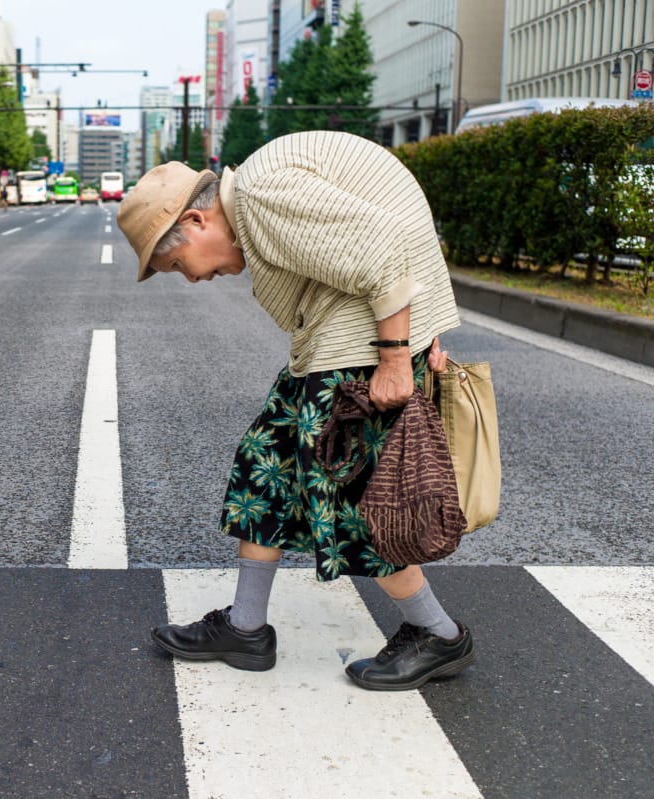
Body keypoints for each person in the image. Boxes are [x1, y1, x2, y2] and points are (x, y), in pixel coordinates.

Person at [117, 130, 474, 691]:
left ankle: (438, 635)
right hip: (341, 337)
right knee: (266, 468)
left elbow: (381, 247)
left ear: (195, 221)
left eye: (178, 265)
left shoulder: (260, 194)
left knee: (352, 499)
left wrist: (396, 357)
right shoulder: (260, 197)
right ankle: (245, 628)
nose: (192, 279)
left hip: (360, 347)